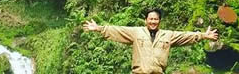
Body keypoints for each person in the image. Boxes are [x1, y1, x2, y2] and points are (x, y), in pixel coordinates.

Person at [82, 7, 219, 74]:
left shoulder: (167, 35)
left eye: (156, 19)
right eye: (151, 19)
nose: (153, 21)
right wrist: (98, 28)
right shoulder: (136, 32)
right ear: (146, 20)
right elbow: (118, 30)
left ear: (159, 21)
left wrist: (203, 35)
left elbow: (185, 36)